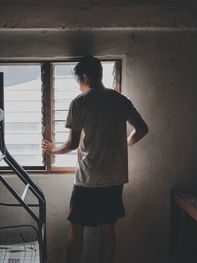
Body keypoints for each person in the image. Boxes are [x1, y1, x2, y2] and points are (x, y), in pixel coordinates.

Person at [41, 56, 148, 263]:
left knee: (76, 227)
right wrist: (123, 144)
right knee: (108, 230)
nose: (79, 86)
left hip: (88, 178)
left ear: (84, 76)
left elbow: (72, 144)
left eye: (78, 81)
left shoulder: (80, 102)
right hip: (114, 177)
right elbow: (142, 129)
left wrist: (53, 150)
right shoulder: (120, 99)